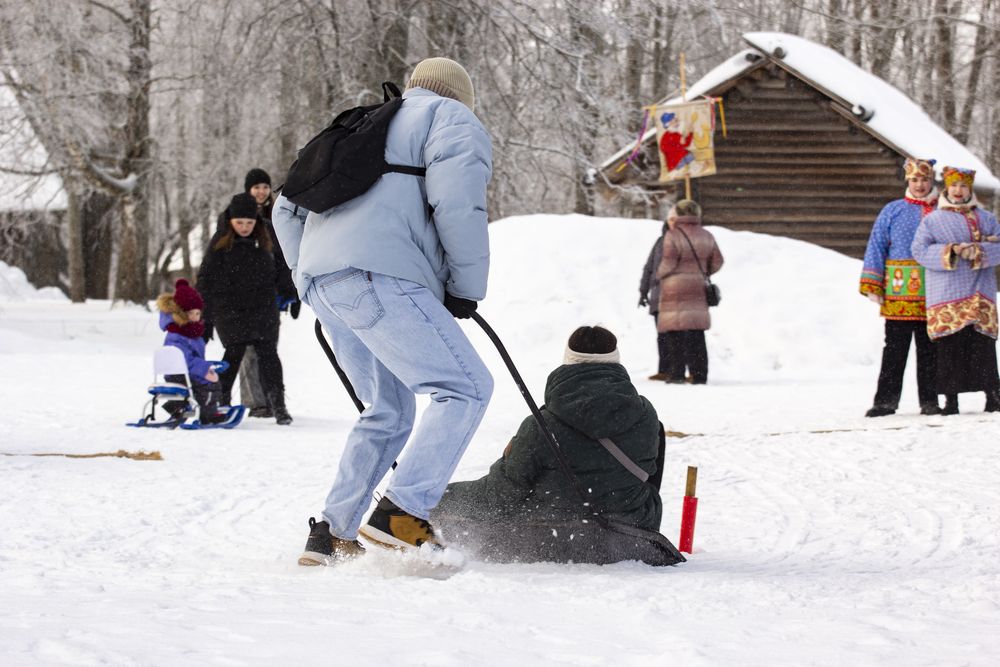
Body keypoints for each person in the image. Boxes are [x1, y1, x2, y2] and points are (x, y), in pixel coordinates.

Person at [272, 57, 494, 566]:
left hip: (328, 286)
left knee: (388, 410)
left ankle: (331, 533)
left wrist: (307, 275)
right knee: (465, 388)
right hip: (381, 277)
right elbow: (459, 205)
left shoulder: (364, 126)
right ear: (459, 96)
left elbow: (285, 208)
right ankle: (403, 512)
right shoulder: (450, 118)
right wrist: (464, 288)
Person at [432, 326, 664, 562]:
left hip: (555, 535)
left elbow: (499, 495)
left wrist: (435, 497)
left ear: (568, 361)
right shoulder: (646, 415)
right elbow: (650, 478)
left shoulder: (541, 425)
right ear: (615, 361)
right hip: (632, 532)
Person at [198, 192, 295, 425]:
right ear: (230, 219)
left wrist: (290, 292)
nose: (244, 227)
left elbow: (283, 266)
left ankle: (278, 404)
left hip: (263, 306)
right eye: (239, 222)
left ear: (256, 222)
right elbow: (206, 279)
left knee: (268, 354)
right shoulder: (220, 241)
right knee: (234, 351)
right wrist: (205, 318)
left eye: (249, 223)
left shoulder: (267, 237)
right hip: (230, 308)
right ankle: (221, 401)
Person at [911, 166, 1000, 415]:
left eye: (963, 186)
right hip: (947, 291)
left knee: (982, 344)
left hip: (980, 290)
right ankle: (951, 400)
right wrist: (951, 250)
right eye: (954, 186)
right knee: (950, 346)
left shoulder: (986, 218)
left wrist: (980, 251)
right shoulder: (933, 220)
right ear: (946, 188)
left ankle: (993, 395)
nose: (958, 191)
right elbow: (919, 251)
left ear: (969, 189)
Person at [859, 158, 941, 417]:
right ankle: (885, 401)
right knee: (894, 350)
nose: (920, 185)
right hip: (898, 292)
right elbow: (877, 245)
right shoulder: (892, 210)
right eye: (915, 180)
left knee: (930, 351)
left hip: (936, 293)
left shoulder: (944, 211)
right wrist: (873, 282)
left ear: (932, 181)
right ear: (907, 180)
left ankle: (930, 401)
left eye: (925, 180)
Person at [655, 199, 723, 384]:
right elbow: (717, 261)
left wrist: (659, 274)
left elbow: (669, 261)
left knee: (674, 331)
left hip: (674, 287)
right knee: (696, 332)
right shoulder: (707, 235)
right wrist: (702, 271)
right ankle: (699, 374)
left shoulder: (673, 235)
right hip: (697, 286)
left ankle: (676, 373)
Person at [156, 279, 226, 424]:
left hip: (181, 372)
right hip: (180, 374)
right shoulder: (178, 335)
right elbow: (185, 360)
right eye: (190, 313)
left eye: (198, 313)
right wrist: (206, 369)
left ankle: (178, 408)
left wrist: (207, 365)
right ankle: (208, 414)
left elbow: (192, 358)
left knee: (207, 377)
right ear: (181, 313)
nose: (195, 317)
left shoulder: (188, 332)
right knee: (211, 382)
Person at [639, 221, 671, 380]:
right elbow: (649, 267)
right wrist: (643, 291)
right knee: (663, 335)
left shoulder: (679, 242)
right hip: (659, 297)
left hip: (674, 295)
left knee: (674, 336)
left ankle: (675, 370)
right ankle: (664, 369)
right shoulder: (660, 242)